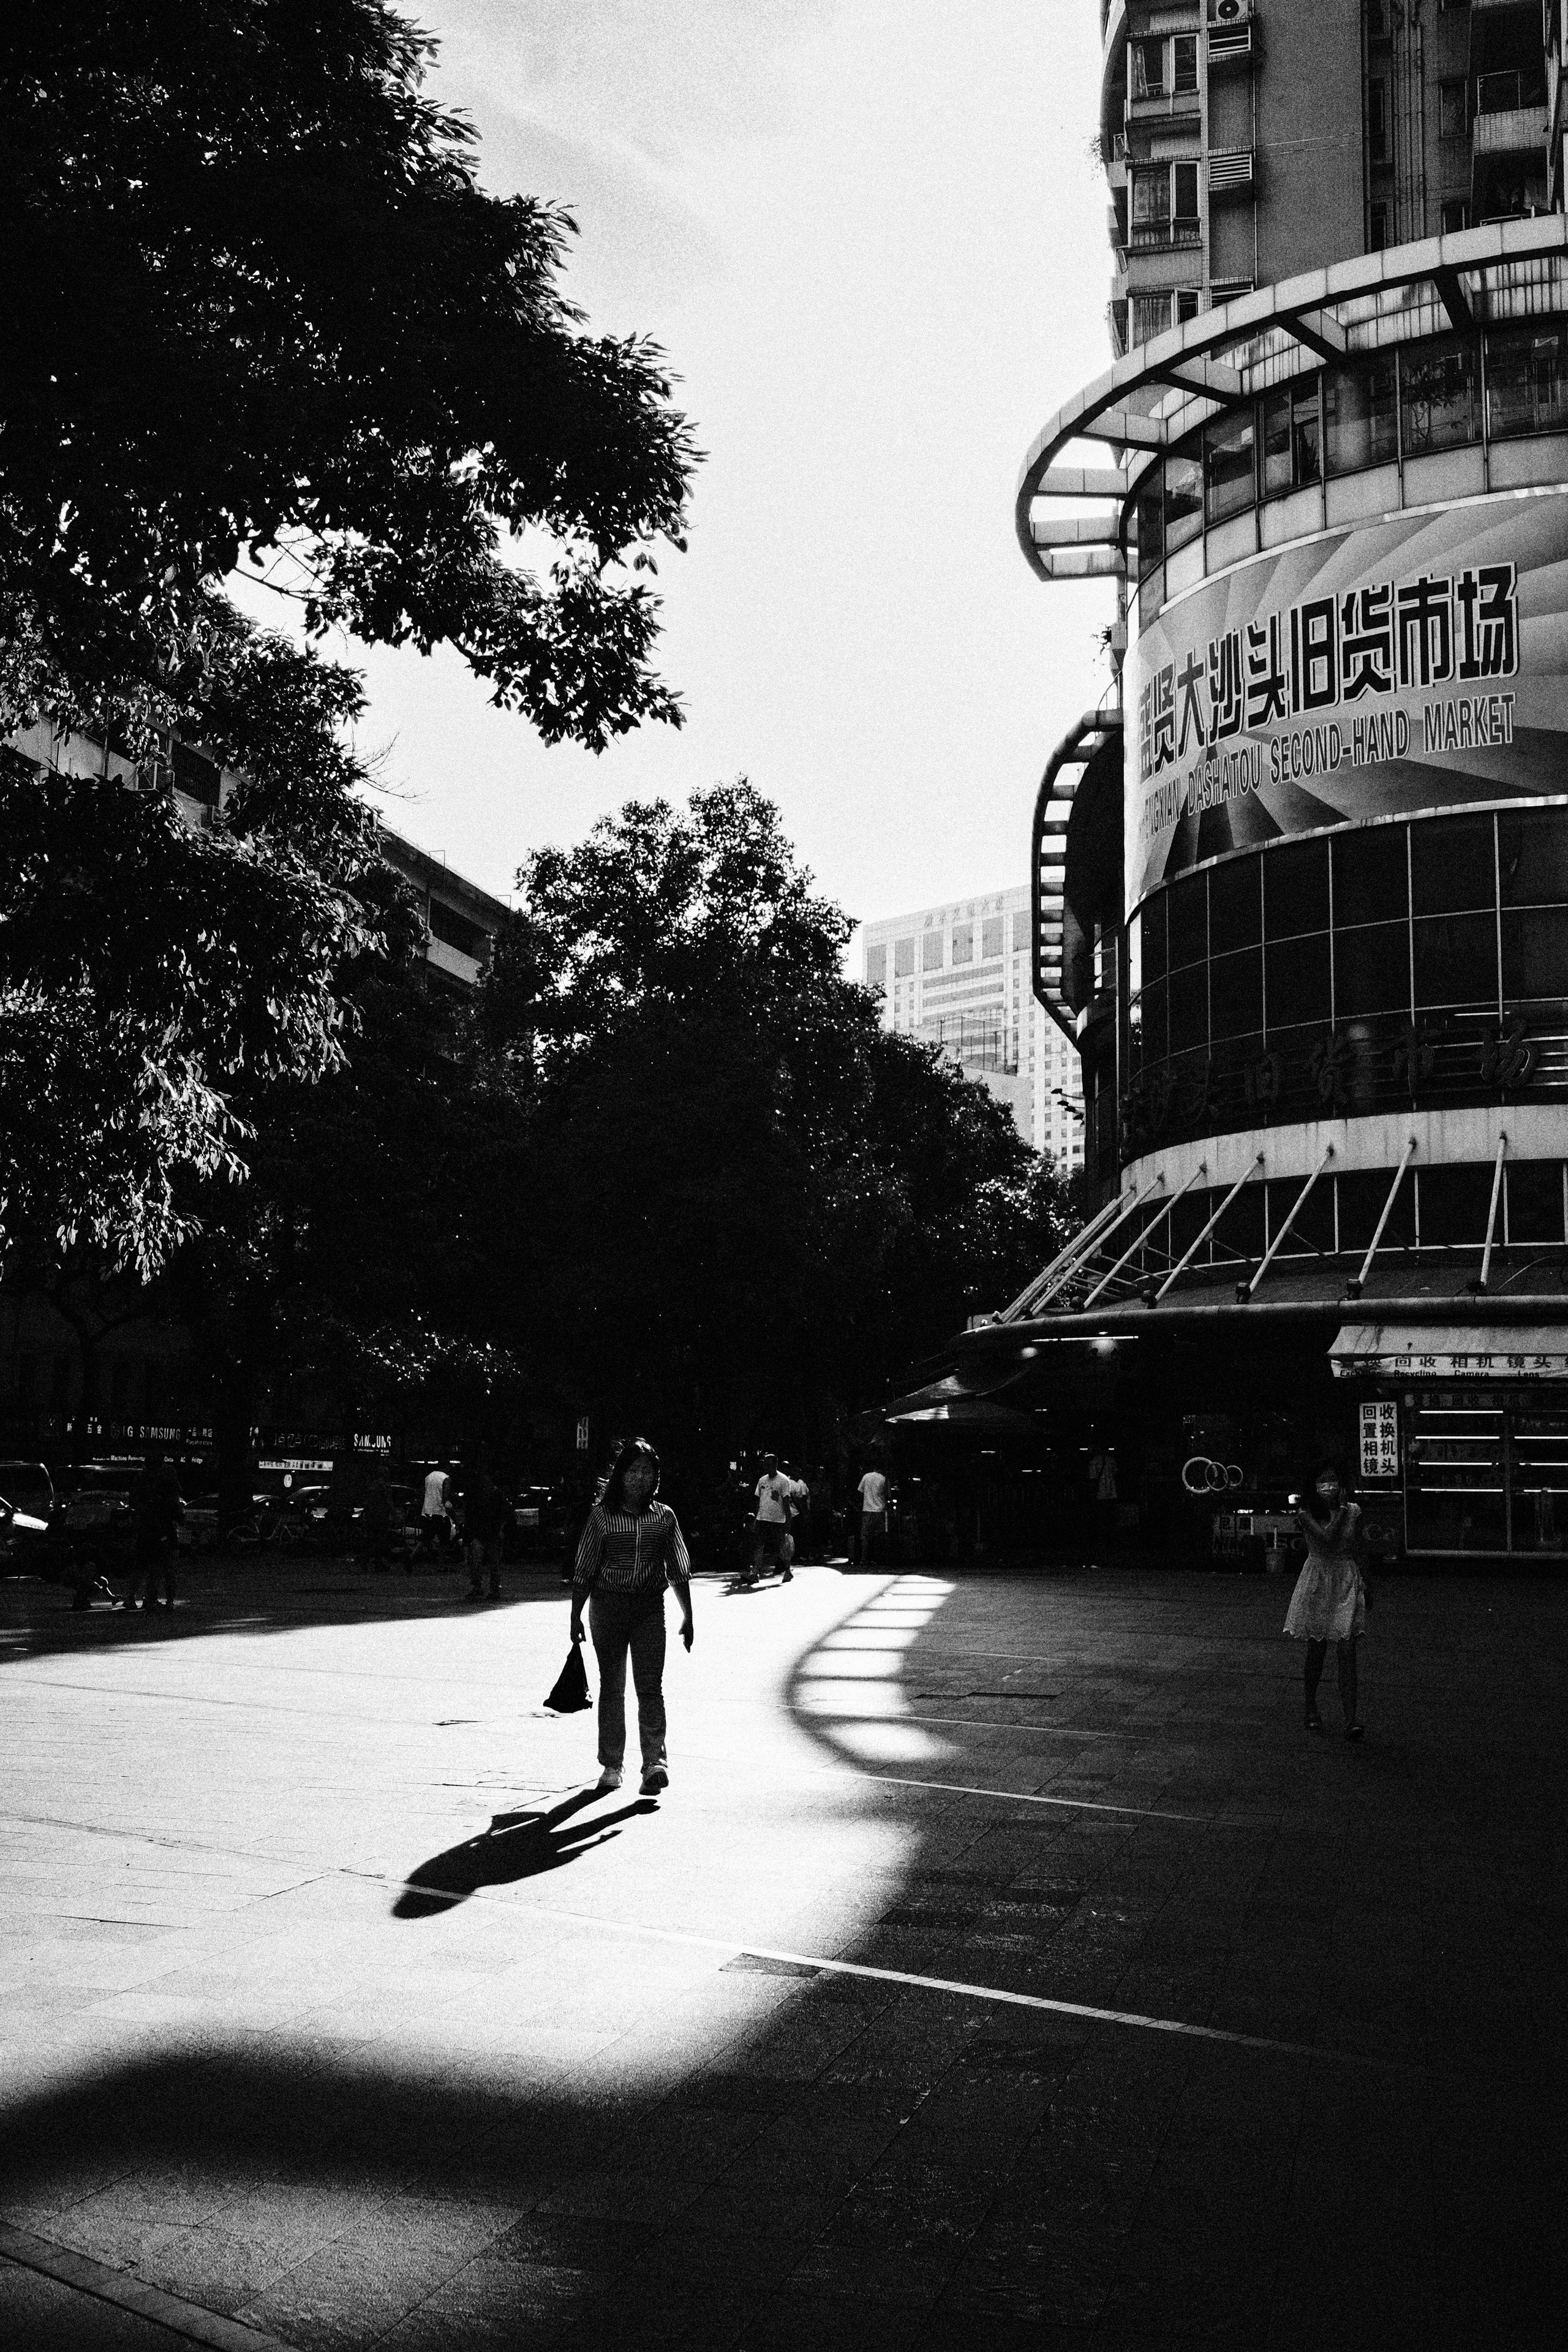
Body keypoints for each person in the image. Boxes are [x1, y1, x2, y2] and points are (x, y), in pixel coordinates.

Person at [569, 1438, 694, 1797]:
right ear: (621, 1475)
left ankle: (654, 1762)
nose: (640, 1478)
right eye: (633, 1471)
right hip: (607, 1607)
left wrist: (689, 1616)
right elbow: (585, 1569)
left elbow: (679, 1570)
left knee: (650, 1687)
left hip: (649, 1610)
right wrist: (575, 1615)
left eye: (647, 1471)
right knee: (612, 1686)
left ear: (656, 1477)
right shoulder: (602, 1516)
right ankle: (612, 1764)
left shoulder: (665, 1517)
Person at [1284, 1460, 1367, 1740]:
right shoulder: (1306, 1513)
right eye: (1324, 1481)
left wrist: (1367, 1584)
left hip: (1346, 1580)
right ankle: (1310, 1707)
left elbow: (1359, 1548)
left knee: (1348, 1651)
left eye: (1334, 1480)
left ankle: (1351, 1719)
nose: (1329, 1486)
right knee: (1316, 1651)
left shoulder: (1355, 1512)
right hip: (1318, 1581)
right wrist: (1342, 1510)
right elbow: (1327, 1538)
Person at [127, 1452, 184, 1612]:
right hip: (164, 1530)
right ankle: (164, 1600)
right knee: (166, 1568)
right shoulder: (166, 1483)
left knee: (142, 1566)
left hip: (145, 1529)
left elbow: (134, 1503)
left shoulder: (140, 1480)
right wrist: (181, 1517)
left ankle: (133, 1597)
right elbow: (175, 1509)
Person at [748, 1453, 794, 1586]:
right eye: (765, 1464)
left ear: (775, 1465)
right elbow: (758, 1500)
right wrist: (756, 1517)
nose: (766, 1466)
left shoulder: (783, 1480)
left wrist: (788, 1520)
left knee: (782, 1546)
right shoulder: (762, 1480)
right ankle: (755, 1572)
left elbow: (786, 1502)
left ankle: (787, 1571)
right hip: (762, 1518)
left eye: (769, 1464)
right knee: (759, 1545)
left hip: (778, 1520)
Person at [463, 1466, 507, 1601]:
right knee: (487, 1562)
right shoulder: (490, 1494)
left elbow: (502, 1515)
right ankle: (488, 1588)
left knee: (486, 1562)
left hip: (488, 1533)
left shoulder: (489, 1495)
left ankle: (485, 1587)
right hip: (486, 1533)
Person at [856, 1462, 888, 1565]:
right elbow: (889, 1495)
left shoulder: (866, 1476)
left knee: (865, 1535)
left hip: (867, 1509)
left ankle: (864, 1558)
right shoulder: (884, 1479)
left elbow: (860, 1491)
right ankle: (877, 1558)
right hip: (880, 1510)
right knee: (878, 1535)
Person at [421, 1462, 453, 1561]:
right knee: (445, 1536)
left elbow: (423, 1492)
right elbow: (446, 1496)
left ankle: (412, 1556)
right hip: (440, 1512)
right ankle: (443, 1559)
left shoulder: (428, 1477)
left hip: (427, 1510)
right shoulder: (446, 1478)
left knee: (427, 1536)